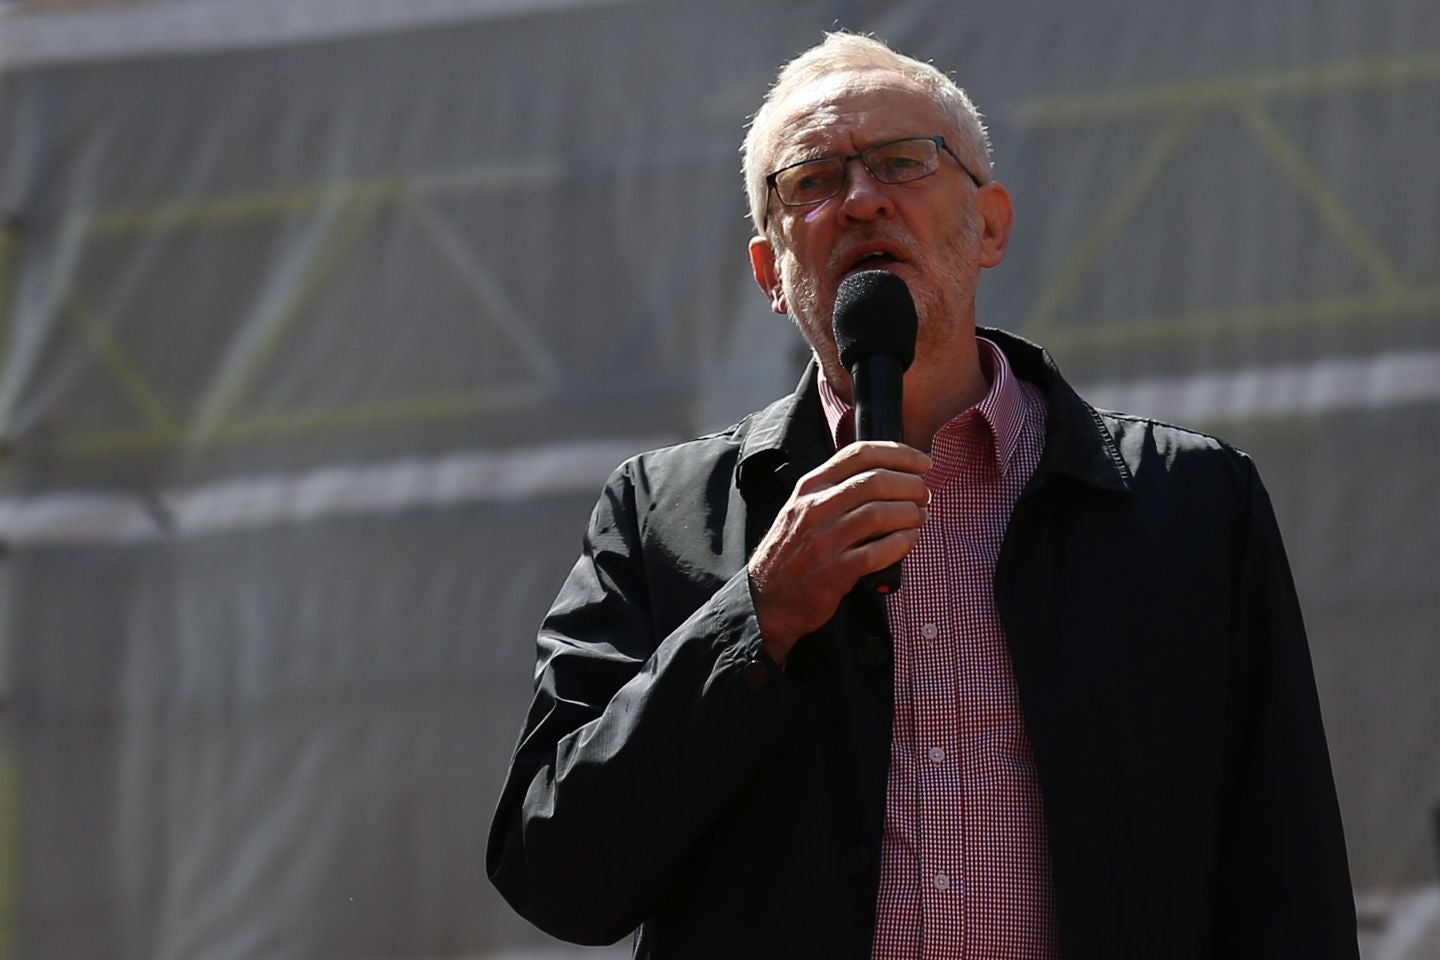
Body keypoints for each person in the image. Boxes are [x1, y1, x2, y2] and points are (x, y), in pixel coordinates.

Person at [487, 31, 1358, 959]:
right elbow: (555, 872)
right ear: (770, 273)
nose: (862, 199)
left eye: (904, 163)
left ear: (989, 224)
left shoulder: (1190, 505)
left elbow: (1286, 884)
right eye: (811, 180)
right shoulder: (661, 514)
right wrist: (757, 616)